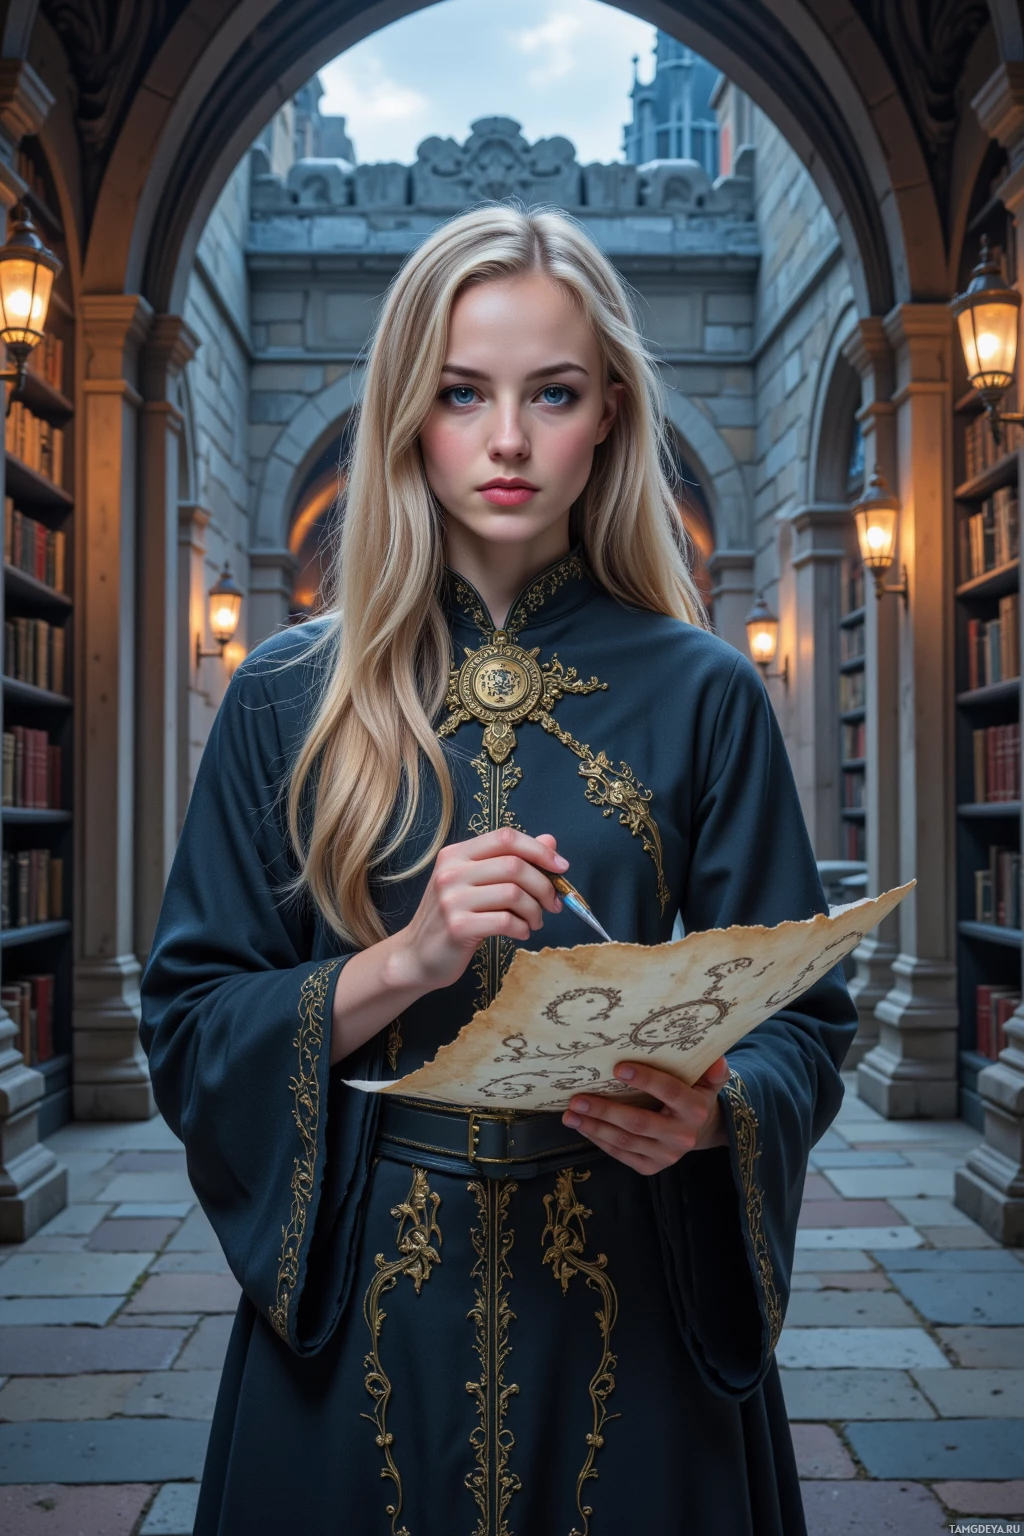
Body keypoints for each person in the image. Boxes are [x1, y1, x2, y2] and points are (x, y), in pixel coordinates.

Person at [140, 204, 856, 1536]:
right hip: (357, 1313)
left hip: (631, 1298)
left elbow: (802, 1019)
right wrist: (402, 963)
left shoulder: (707, 692)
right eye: (465, 392)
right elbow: (187, 1026)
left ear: (610, 418)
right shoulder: (286, 692)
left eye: (556, 393)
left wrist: (718, 1113)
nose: (510, 439)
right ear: (411, 412)